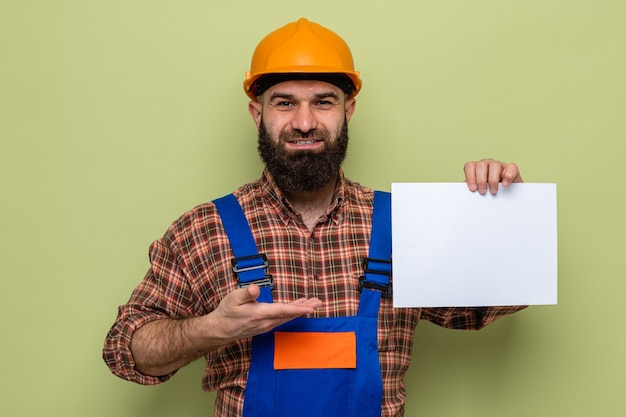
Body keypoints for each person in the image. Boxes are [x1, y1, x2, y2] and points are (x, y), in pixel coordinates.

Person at [103, 17, 526, 417]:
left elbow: (484, 308)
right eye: (285, 103)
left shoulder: (404, 224)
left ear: (348, 110)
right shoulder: (202, 230)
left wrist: (502, 213)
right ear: (257, 114)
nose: (304, 123)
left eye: (323, 102)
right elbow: (125, 350)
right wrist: (212, 329)